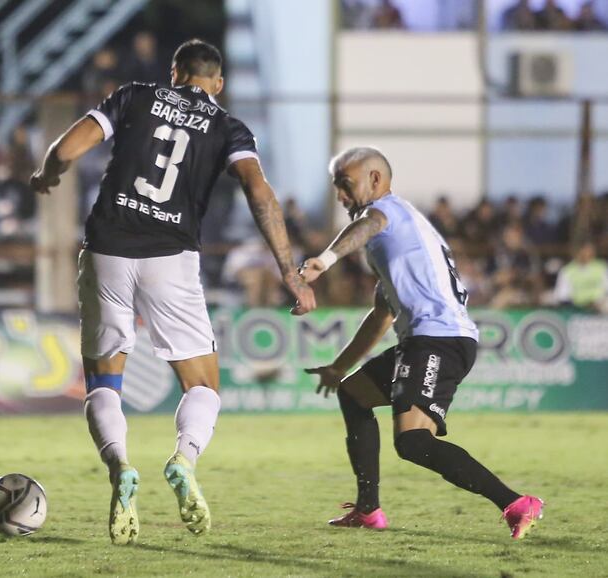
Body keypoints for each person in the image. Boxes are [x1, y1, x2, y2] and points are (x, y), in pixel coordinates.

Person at [29, 39, 316, 545]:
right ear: (218, 84)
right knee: (203, 384)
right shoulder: (228, 126)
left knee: (102, 382)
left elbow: (66, 149)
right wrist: (289, 271)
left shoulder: (136, 95)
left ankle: (120, 468)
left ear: (175, 72)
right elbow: (259, 192)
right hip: (172, 259)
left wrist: (47, 173)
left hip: (107, 250)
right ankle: (184, 458)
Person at [300, 147, 543, 539]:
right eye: (336, 188)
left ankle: (516, 502)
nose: (341, 197)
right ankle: (368, 510)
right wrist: (338, 367)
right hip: (426, 339)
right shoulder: (398, 242)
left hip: (439, 339)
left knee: (413, 441)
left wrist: (323, 261)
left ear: (376, 180)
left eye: (346, 185)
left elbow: (368, 222)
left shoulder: (387, 214)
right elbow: (382, 315)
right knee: (354, 394)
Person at [553, 240, 608, 312]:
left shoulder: (602, 267)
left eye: (590, 251)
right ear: (578, 252)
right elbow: (562, 295)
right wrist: (580, 304)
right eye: (585, 250)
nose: (588, 254)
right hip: (577, 308)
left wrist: (597, 302)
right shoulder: (567, 271)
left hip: (599, 306)